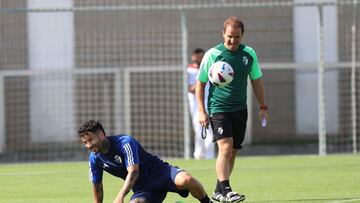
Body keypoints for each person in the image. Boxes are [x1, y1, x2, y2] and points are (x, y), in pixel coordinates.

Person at [195, 17, 269, 203]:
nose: (233, 41)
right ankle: (227, 190)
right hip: (218, 108)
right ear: (223, 34)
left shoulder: (249, 54)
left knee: (233, 151)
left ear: (242, 35)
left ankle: (218, 191)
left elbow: (257, 80)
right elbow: (200, 83)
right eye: (229, 36)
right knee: (225, 147)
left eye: (237, 37)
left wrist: (263, 106)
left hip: (240, 109)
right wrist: (201, 111)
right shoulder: (212, 54)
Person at [78, 120, 212, 203]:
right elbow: (97, 186)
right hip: (143, 188)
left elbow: (134, 172)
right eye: (85, 142)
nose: (88, 145)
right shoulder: (95, 159)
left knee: (187, 180)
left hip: (162, 173)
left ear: (101, 135)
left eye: (90, 140)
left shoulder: (124, 142)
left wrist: (120, 197)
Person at [187, 48, 215, 160]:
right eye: (197, 56)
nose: (199, 58)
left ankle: (210, 155)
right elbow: (190, 88)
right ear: (193, 57)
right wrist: (200, 81)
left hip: (210, 103)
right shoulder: (190, 71)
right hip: (196, 105)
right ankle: (198, 154)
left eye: (201, 56)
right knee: (199, 130)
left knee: (211, 130)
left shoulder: (209, 69)